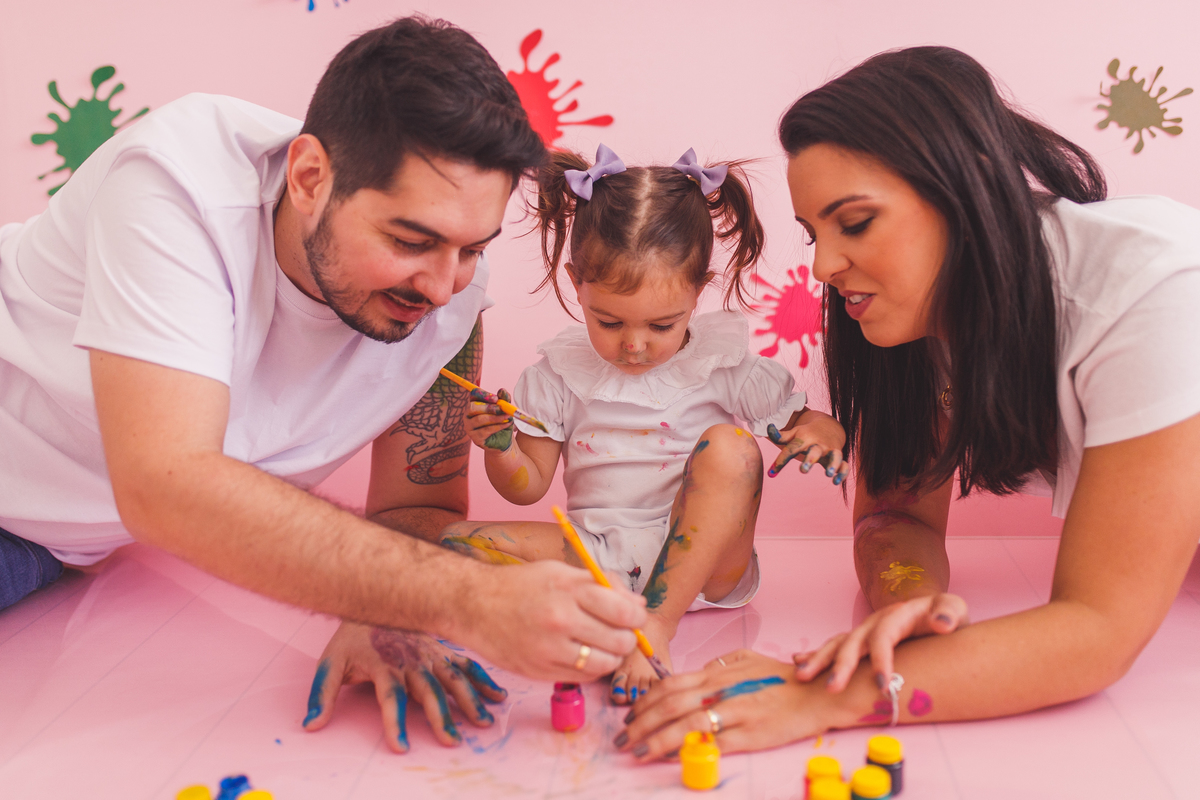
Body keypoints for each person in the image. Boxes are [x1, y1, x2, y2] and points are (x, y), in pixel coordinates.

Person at [0, 16, 647, 754]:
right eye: (410, 241)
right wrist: (468, 598)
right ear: (309, 178)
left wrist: (385, 611)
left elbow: (414, 503)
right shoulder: (178, 184)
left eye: (472, 248)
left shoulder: (456, 298)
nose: (442, 286)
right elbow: (162, 482)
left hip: (47, 545)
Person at [614, 45, 1200, 759]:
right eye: (814, 234)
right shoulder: (920, 315)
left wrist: (818, 694)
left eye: (854, 223)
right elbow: (897, 515)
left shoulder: (1156, 286)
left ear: (965, 188)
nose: (824, 266)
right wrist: (908, 612)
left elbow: (1097, 633)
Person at [433, 144, 850, 704]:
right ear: (577, 283)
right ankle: (586, 618)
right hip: (596, 555)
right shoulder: (556, 374)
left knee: (732, 447)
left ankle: (654, 627)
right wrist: (502, 447)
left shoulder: (722, 366)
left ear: (698, 291)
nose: (634, 345)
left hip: (704, 566)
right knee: (449, 546)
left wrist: (824, 434)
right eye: (608, 321)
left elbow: (809, 421)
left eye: (661, 324)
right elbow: (526, 489)